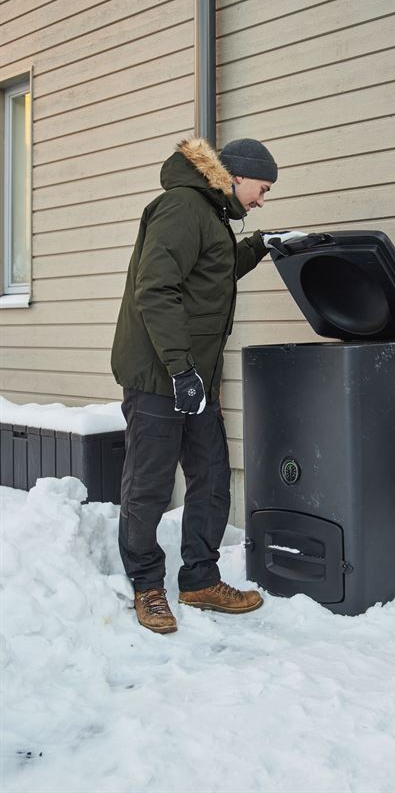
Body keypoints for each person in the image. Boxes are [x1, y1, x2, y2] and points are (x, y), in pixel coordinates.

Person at [111, 136, 304, 634]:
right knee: (149, 486)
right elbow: (155, 290)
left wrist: (259, 247)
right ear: (235, 177)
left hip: (193, 378)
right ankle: (147, 585)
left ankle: (199, 579)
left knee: (212, 479)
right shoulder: (181, 207)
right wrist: (179, 371)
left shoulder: (210, 214)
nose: (263, 200)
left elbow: (211, 275)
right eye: (261, 189)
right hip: (161, 377)